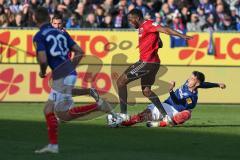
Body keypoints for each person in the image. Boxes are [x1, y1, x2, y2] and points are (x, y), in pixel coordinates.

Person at [33, 7, 112, 154]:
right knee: (50, 110)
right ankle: (53, 145)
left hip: (61, 75)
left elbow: (43, 59)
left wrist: (42, 72)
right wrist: (69, 67)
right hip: (68, 73)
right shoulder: (61, 35)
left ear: (34, 19)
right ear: (48, 20)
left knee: (62, 115)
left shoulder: (39, 36)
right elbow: (80, 51)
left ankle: (98, 106)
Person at [116, 9, 192, 121]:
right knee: (147, 91)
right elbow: (158, 41)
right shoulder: (145, 27)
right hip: (154, 63)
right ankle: (165, 116)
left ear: (137, 18)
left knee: (120, 82)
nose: (130, 22)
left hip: (146, 62)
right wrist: (158, 42)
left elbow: (165, 29)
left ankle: (123, 115)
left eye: (131, 20)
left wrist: (181, 35)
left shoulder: (148, 24)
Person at [119, 71, 226, 127]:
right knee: (144, 115)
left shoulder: (191, 99)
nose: (189, 79)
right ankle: (123, 122)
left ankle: (160, 124)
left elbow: (177, 102)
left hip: (175, 111)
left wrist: (171, 90)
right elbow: (204, 84)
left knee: (187, 114)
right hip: (165, 105)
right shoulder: (188, 83)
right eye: (190, 77)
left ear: (197, 83)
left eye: (192, 79)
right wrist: (217, 84)